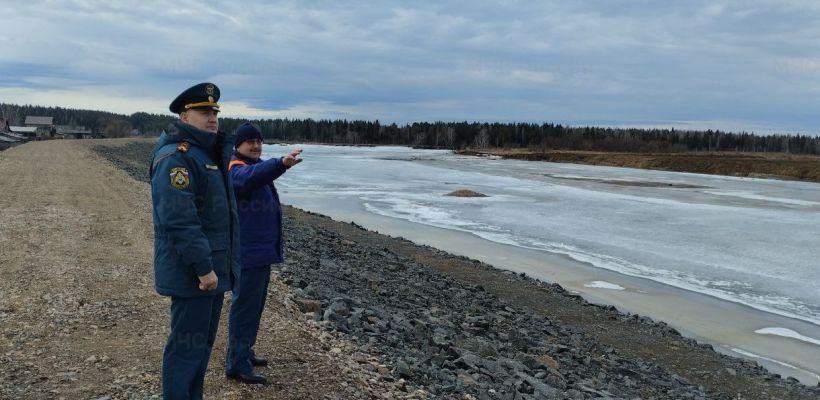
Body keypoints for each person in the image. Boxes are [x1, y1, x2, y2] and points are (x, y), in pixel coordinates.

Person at [149, 82, 241, 399]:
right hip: (194, 273)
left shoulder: (206, 153)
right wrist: (203, 267)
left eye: (214, 111)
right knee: (186, 348)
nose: (212, 117)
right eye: (203, 111)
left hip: (211, 270)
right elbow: (178, 220)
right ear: (185, 116)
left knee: (200, 347)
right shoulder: (177, 157)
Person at [225, 122, 302, 384]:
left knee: (254, 308)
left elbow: (258, 176)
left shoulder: (252, 167)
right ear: (238, 145)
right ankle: (236, 363)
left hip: (259, 253)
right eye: (250, 142)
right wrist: (281, 163)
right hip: (248, 254)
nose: (256, 146)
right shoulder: (236, 168)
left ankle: (244, 352)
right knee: (244, 308)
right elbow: (248, 180)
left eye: (259, 142)